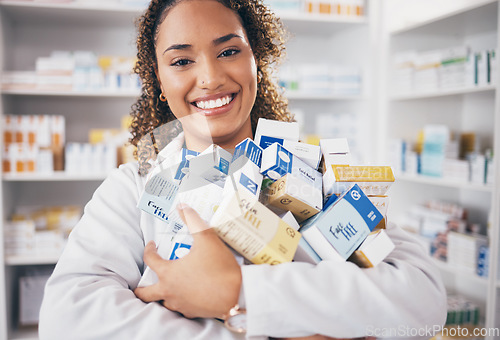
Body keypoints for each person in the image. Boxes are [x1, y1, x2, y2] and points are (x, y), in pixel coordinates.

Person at [39, 0, 447, 339]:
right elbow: (66, 318)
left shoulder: (318, 173)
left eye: (229, 51)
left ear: (257, 61)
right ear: (159, 82)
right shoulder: (132, 187)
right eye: (181, 60)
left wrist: (235, 291)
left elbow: (422, 303)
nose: (211, 77)